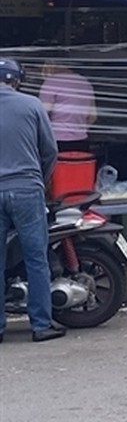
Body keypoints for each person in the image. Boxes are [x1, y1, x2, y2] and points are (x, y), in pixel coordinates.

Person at [0, 58, 66, 342]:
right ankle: (41, 325)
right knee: (36, 258)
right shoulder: (32, 105)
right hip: (27, 188)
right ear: (16, 80)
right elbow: (50, 149)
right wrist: (39, 176)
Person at [39, 60, 96, 152]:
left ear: (51, 64)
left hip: (57, 142)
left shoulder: (51, 83)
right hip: (81, 141)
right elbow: (92, 116)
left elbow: (42, 114)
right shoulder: (85, 82)